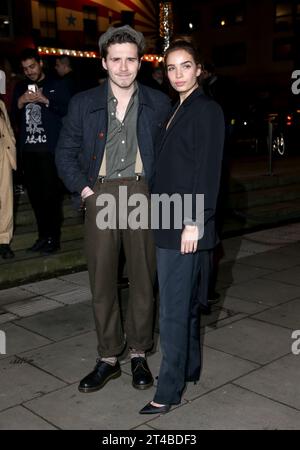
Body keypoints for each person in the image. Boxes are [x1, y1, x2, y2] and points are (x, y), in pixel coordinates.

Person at [55, 26, 171, 393]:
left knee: (143, 278)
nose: (123, 67)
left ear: (141, 62)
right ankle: (108, 357)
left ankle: (138, 352)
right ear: (104, 62)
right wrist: (86, 191)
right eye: (116, 59)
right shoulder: (83, 102)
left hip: (141, 193)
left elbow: (172, 157)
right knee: (102, 279)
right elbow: (65, 153)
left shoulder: (159, 103)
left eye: (131, 59)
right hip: (100, 193)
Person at [140, 40, 225, 414]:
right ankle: (189, 369)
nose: (177, 74)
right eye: (171, 67)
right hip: (168, 218)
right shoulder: (178, 108)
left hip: (184, 223)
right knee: (186, 306)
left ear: (199, 69)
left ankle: (169, 391)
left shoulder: (206, 109)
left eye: (185, 66)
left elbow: (207, 170)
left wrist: (195, 221)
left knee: (172, 309)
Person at [12, 48, 71, 254]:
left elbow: (67, 111)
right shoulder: (20, 87)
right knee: (36, 198)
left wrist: (45, 100)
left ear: (40, 63)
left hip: (49, 151)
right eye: (25, 69)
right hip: (29, 151)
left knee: (51, 197)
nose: (29, 71)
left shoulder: (56, 85)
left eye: (32, 66)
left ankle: (53, 239)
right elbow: (12, 117)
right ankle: (42, 237)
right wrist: (20, 102)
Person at [0, 70, 16, 259]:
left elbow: (9, 129)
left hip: (3, 156)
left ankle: (3, 241)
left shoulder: (1, 104)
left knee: (5, 200)